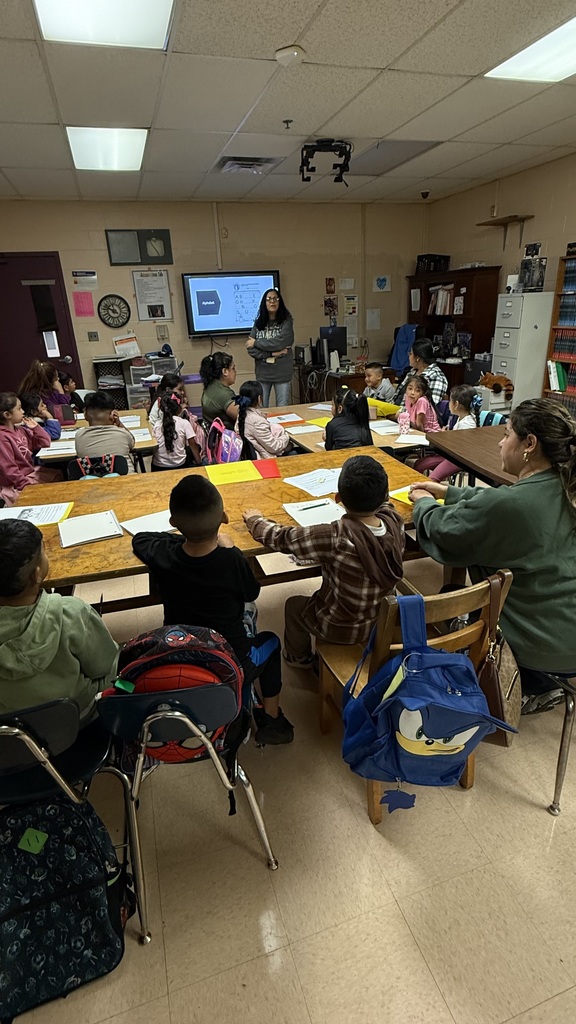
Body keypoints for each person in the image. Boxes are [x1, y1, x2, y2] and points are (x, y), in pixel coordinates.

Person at [408, 398, 576, 713]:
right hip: (569, 629)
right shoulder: (564, 486)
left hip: (543, 648)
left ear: (529, 443)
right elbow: (501, 500)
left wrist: (422, 502)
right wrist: (452, 493)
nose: (500, 443)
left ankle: (530, 682)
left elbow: (444, 531)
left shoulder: (513, 506)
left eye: (506, 434)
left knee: (454, 599)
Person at [132, 475, 293, 745]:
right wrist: (231, 548)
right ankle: (271, 719)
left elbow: (141, 539)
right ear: (223, 517)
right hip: (231, 661)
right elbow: (251, 593)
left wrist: (178, 537)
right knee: (272, 642)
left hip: (182, 654)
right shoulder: (231, 559)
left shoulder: (163, 555)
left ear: (174, 523)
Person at [243, 455, 405, 667]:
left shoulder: (335, 537)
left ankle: (298, 659)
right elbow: (387, 507)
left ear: (338, 498)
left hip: (339, 627)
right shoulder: (395, 523)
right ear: (385, 495)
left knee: (293, 606)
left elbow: (282, 538)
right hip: (381, 621)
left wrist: (255, 520)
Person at [0, 519, 119, 723]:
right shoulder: (71, 613)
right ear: (36, 575)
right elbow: (105, 665)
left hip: (12, 731)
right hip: (79, 717)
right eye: (44, 553)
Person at [0, 392, 59, 505]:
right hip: (15, 482)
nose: (23, 412)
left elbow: (45, 442)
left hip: (29, 473)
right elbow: (9, 468)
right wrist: (26, 486)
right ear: (7, 415)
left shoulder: (20, 430)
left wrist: (36, 428)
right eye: (19, 408)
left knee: (58, 475)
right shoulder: (2, 437)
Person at [415, 384, 482, 481]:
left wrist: (445, 437)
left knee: (431, 477)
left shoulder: (467, 424)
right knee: (419, 464)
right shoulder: (462, 418)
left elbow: (460, 448)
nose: (449, 403)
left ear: (456, 404)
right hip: (452, 456)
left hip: (458, 459)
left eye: (450, 401)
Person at [247, 288, 294, 407]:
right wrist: (271, 354)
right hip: (263, 373)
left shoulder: (286, 322)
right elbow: (250, 348)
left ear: (280, 302)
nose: (272, 302)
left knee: (282, 408)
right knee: (262, 408)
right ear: (264, 303)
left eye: (275, 299)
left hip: (282, 373)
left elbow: (280, 343)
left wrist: (257, 343)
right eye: (269, 299)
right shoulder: (258, 323)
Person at [75, 390, 136, 471]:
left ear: (85, 415)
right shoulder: (123, 434)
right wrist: (119, 424)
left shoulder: (79, 436)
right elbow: (132, 444)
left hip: (91, 482)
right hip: (126, 481)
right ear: (112, 414)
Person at [234, 380, 293, 459]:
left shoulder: (242, 414)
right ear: (259, 398)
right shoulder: (257, 422)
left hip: (251, 457)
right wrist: (286, 436)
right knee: (294, 449)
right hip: (264, 459)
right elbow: (274, 447)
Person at [151, 392, 202, 472]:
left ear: (161, 408)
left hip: (158, 467)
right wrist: (199, 463)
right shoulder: (184, 423)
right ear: (179, 408)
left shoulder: (157, 425)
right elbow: (192, 445)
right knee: (197, 447)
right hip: (179, 465)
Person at [394, 338, 448, 406]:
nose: (409, 356)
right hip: (396, 410)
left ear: (418, 358)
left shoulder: (436, 377)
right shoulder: (412, 372)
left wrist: (401, 414)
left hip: (412, 414)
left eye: (410, 353)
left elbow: (429, 406)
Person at [200, 352, 238, 428]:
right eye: (233, 368)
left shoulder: (211, 385)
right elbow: (246, 418)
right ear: (225, 372)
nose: (235, 372)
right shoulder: (223, 394)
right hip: (228, 436)